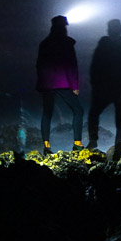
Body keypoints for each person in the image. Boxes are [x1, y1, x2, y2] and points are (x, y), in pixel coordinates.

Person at [88, 18, 121, 158]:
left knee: (94, 114)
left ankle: (93, 142)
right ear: (120, 30)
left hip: (105, 90)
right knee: (120, 122)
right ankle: (118, 149)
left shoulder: (104, 45)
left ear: (109, 30)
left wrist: (95, 86)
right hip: (120, 91)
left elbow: (95, 67)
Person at [36, 15, 83, 154]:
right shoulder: (67, 43)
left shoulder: (44, 43)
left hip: (47, 84)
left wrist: (41, 83)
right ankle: (77, 144)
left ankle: (46, 146)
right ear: (64, 27)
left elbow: (39, 65)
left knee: (47, 113)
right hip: (62, 83)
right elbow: (71, 65)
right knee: (78, 110)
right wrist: (74, 86)